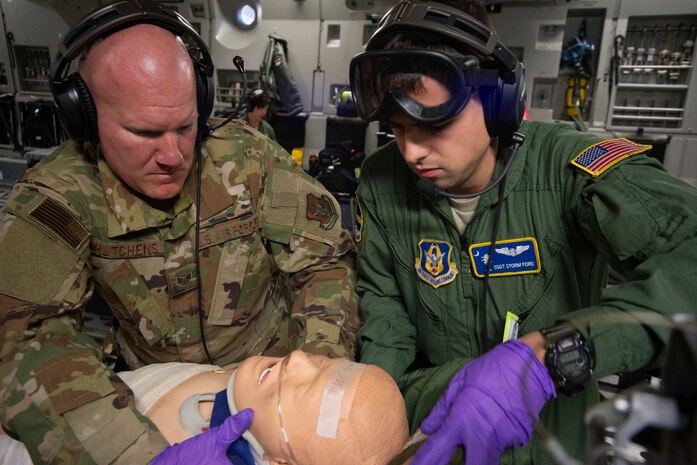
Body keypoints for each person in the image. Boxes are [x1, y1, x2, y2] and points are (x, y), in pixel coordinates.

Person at [0, 1, 359, 463]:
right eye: (145, 132)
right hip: (157, 395)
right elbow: (27, 338)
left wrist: (315, 375)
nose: (172, 155)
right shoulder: (61, 195)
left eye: (186, 127)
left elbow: (324, 261)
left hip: (271, 383)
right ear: (85, 118)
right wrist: (133, 454)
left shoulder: (248, 160)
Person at [349, 1, 697, 464]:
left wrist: (553, 355)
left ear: (499, 100)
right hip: (436, 436)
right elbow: (385, 311)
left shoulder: (569, 168)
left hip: (554, 442)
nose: (412, 151)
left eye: (433, 124)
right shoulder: (380, 180)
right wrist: (367, 416)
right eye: (397, 129)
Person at [117, 350, 409, 465]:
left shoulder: (133, 445)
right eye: (323, 361)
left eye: (303, 390)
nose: (296, 357)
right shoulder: (244, 385)